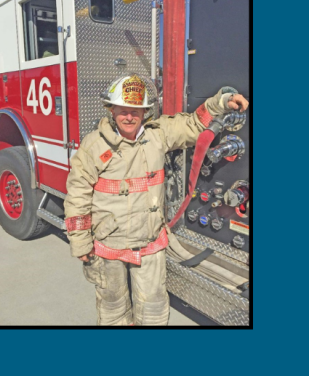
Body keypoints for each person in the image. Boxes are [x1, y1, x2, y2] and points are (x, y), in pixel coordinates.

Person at [64, 74, 249, 326]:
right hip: (108, 245)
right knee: (112, 311)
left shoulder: (158, 135)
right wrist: (80, 243)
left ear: (145, 113)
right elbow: (77, 194)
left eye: (136, 111)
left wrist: (224, 102)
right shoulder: (93, 146)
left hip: (149, 244)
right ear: (111, 110)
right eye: (123, 110)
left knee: (153, 311)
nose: (129, 117)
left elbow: (195, 123)